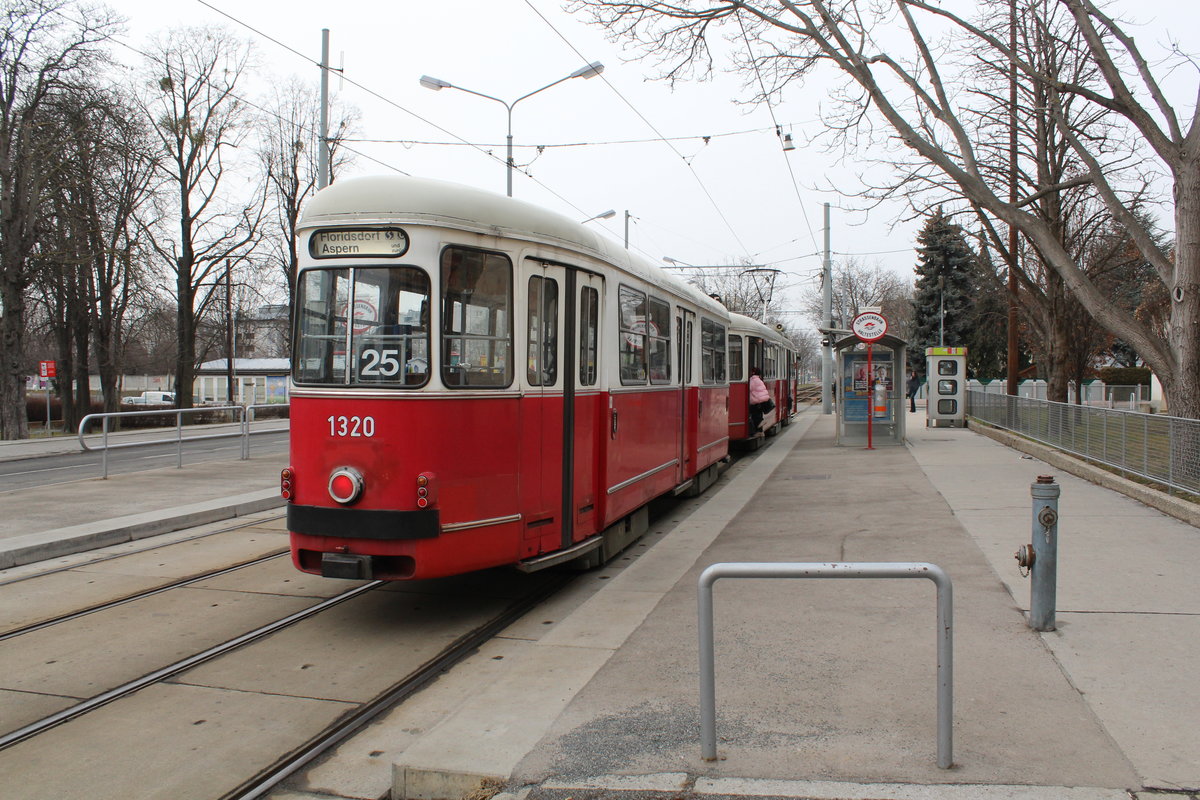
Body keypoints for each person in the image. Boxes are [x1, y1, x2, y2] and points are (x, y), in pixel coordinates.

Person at [748, 366, 770, 434]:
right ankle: (760, 430)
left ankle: (756, 430)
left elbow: (749, 388)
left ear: (753, 373)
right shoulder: (759, 380)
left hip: (756, 401)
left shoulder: (752, 380)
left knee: (754, 415)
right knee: (758, 415)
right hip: (762, 401)